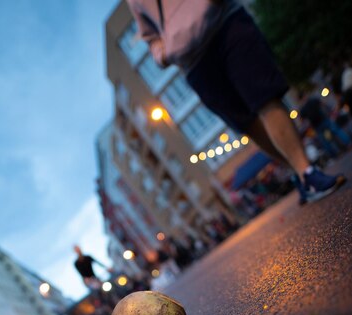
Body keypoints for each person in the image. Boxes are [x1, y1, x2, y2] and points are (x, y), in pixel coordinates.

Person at [126, 0, 346, 204]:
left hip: (226, 23)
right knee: (246, 123)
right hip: (193, 62)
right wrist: (163, 53)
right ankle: (298, 171)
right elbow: (150, 35)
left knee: (265, 97)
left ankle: (306, 171)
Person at [299, 93, 351, 158]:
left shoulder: (303, 109)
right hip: (323, 120)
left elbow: (302, 120)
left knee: (325, 141)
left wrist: (307, 125)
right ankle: (348, 143)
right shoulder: (312, 100)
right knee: (336, 131)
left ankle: (334, 154)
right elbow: (323, 104)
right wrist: (330, 111)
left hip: (316, 125)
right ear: (304, 96)